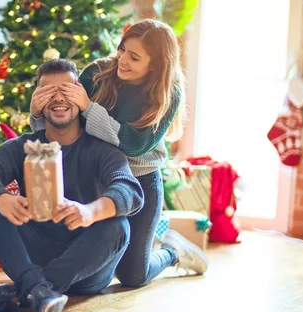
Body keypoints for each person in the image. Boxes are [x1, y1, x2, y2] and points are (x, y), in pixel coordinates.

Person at [29, 19, 209, 289]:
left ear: (156, 65)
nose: (122, 60)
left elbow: (134, 144)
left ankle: (174, 251)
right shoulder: (97, 74)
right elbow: (61, 125)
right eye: (123, 50)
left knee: (133, 276)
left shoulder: (167, 93)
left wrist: (89, 108)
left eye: (134, 57)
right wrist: (36, 112)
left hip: (140, 182)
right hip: (96, 176)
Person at [0, 59, 144, 312]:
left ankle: (26, 291)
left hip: (87, 267)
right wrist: (3, 199)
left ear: (81, 96)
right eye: (48, 92)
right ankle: (39, 292)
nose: (58, 98)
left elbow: (130, 190)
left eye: (66, 90)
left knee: (118, 225)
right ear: (37, 102)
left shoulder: (102, 150)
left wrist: (89, 212)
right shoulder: (23, 146)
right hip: (37, 249)